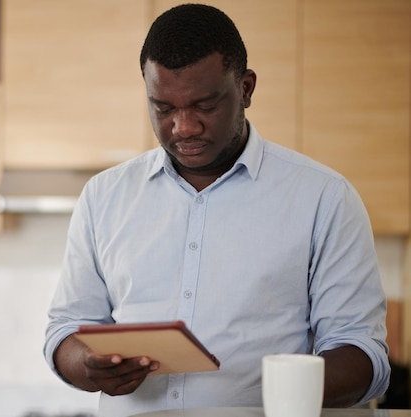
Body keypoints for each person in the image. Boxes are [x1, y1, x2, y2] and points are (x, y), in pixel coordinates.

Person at [44, 3, 390, 417]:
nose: (184, 127)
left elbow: (364, 353)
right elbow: (65, 330)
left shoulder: (324, 197)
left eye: (205, 106)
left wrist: (288, 388)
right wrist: (87, 364)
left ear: (245, 88)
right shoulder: (103, 196)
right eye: (164, 108)